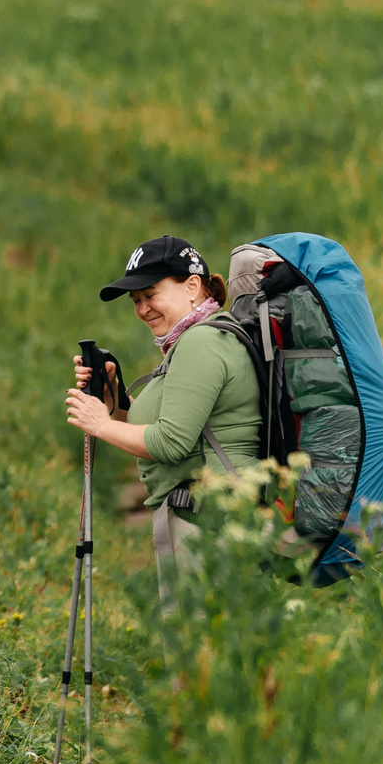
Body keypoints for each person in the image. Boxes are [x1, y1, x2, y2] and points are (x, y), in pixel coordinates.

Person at [64, 235, 263, 597]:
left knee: (198, 649)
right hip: (205, 516)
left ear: (191, 286)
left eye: (150, 294)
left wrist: (100, 424)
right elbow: (173, 426)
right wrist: (114, 399)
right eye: (136, 300)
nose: (143, 309)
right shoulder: (191, 341)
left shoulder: (201, 343)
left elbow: (170, 443)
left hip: (209, 523)